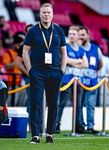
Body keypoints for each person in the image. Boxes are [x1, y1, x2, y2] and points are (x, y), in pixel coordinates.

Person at [23, 3, 67, 143]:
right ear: (40, 14)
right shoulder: (33, 31)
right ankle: (35, 136)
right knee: (35, 103)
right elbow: (25, 51)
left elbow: (64, 52)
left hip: (55, 72)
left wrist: (62, 70)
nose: (46, 15)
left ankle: (49, 135)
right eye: (44, 12)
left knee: (53, 104)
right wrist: (30, 70)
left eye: (48, 12)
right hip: (38, 72)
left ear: (52, 14)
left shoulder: (59, 30)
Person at [55, 26, 88, 134]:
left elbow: (86, 64)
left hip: (79, 80)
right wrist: (78, 61)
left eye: (74, 34)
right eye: (70, 34)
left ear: (78, 36)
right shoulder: (65, 47)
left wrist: (73, 62)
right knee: (62, 103)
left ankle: (78, 125)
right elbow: (65, 60)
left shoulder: (81, 49)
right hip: (67, 79)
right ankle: (56, 124)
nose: (71, 36)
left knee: (79, 104)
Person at [78, 26, 103, 134]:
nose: (81, 37)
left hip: (92, 82)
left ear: (88, 36)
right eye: (79, 35)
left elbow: (100, 63)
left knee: (90, 105)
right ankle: (80, 125)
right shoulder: (76, 48)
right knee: (79, 105)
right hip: (79, 82)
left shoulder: (96, 49)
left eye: (83, 35)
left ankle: (91, 126)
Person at [16, 24, 34, 130]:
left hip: (42, 76)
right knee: (31, 100)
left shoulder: (42, 44)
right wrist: (30, 74)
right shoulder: (23, 47)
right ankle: (30, 124)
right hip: (30, 78)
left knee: (41, 100)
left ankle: (39, 123)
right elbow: (18, 64)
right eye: (28, 31)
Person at [3, 35, 26, 106]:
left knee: (22, 104)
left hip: (23, 83)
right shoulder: (8, 53)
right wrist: (18, 60)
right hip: (12, 83)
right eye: (18, 44)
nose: (20, 46)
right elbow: (7, 67)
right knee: (11, 103)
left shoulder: (25, 54)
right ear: (14, 44)